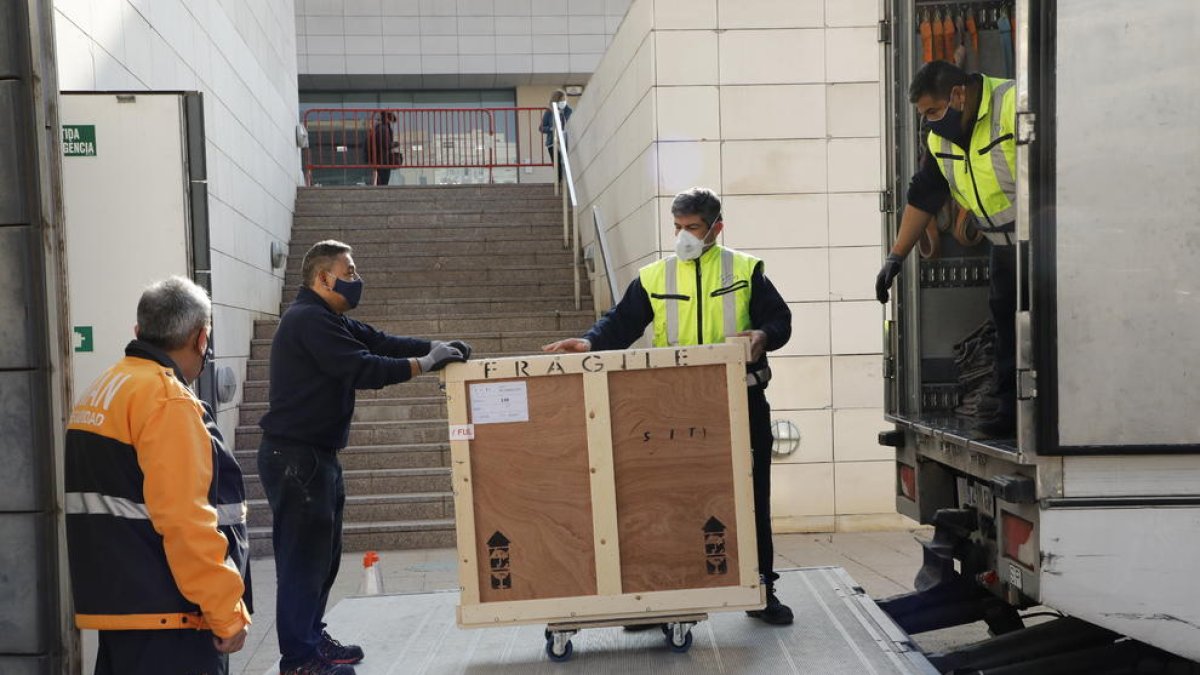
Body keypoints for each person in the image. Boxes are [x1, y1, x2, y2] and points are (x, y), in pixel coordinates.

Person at [543, 187, 795, 626]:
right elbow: (620, 323)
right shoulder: (655, 276)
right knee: (667, 498)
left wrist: (762, 337)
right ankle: (661, 600)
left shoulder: (745, 269)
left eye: (693, 228)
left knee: (752, 498)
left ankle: (761, 591)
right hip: (675, 405)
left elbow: (780, 320)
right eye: (677, 228)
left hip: (740, 399)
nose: (683, 237)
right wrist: (587, 342)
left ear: (716, 227)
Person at [258, 240, 471, 674]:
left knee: (324, 557)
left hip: (316, 456)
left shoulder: (327, 318)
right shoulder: (308, 321)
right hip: (297, 458)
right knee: (303, 561)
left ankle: (311, 638)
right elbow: (363, 368)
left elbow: (379, 341)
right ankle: (299, 659)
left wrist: (436, 346)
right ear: (323, 278)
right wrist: (426, 363)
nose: (357, 280)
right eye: (350, 272)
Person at [65, 276, 251, 675]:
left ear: (139, 331)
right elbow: (186, 519)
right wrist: (226, 612)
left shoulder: (104, 389)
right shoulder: (166, 400)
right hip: (170, 624)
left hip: (122, 617)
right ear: (201, 339)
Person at [875, 60, 1018, 437]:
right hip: (1003, 248)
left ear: (958, 95)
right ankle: (1011, 414)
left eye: (933, 111)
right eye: (924, 115)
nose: (930, 122)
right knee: (1007, 330)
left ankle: (1052, 413)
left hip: (1047, 244)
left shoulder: (1014, 105)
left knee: (1046, 330)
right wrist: (895, 257)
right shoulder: (940, 140)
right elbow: (923, 197)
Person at [539, 89, 572, 180]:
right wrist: (551, 129)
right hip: (553, 143)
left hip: (566, 142)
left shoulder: (568, 111)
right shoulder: (549, 111)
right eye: (561, 100)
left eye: (565, 99)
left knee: (565, 166)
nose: (563, 102)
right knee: (558, 167)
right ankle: (560, 187)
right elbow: (541, 127)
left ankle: (563, 186)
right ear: (556, 100)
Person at [372, 111, 400, 186]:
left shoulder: (380, 128)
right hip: (383, 160)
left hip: (381, 159)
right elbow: (386, 145)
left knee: (382, 181)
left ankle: (380, 194)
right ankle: (381, 195)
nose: (391, 122)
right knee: (383, 181)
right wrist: (396, 144)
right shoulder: (383, 129)